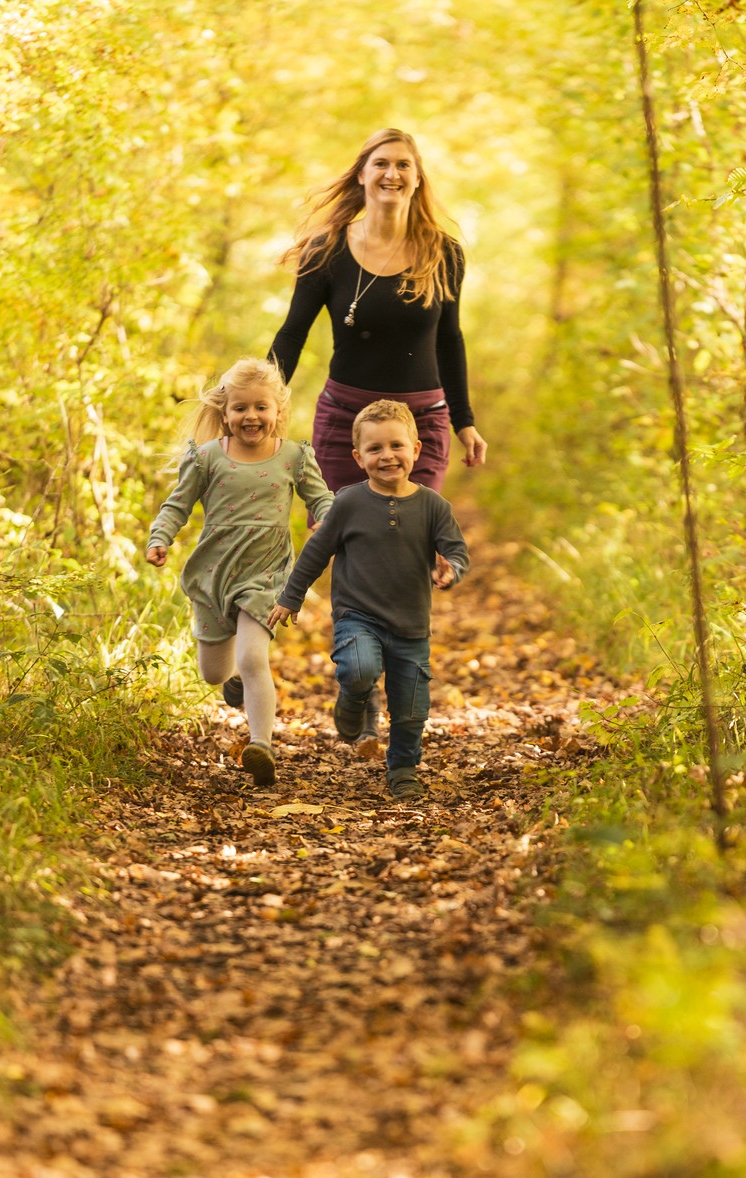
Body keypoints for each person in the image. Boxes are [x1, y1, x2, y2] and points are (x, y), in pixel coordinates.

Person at [268, 128, 484, 744]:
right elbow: (292, 334)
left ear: (417, 178)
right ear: (362, 174)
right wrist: (264, 399)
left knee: (410, 542)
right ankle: (356, 682)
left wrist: (465, 419)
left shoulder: (445, 252)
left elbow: (451, 340)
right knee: (347, 535)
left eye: (403, 166)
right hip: (345, 421)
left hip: (422, 422)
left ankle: (396, 672)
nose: (391, 174)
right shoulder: (327, 250)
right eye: (380, 164)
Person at [268, 400, 470, 800]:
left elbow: (456, 551)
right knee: (359, 669)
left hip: (412, 625)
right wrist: (290, 597)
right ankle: (355, 700)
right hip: (357, 616)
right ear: (359, 458)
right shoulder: (348, 503)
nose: (387, 456)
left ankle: (403, 769)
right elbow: (316, 551)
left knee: (412, 709)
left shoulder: (433, 506)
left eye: (396, 446)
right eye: (375, 449)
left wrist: (451, 569)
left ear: (416, 449)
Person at [146, 357, 334, 787]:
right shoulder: (208, 457)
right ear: (225, 413)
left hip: (267, 574)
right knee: (215, 672)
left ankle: (261, 744)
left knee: (253, 657)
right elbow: (177, 504)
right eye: (241, 408)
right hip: (215, 573)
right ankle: (232, 683)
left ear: (278, 411)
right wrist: (161, 537)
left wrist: (326, 516)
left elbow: (321, 498)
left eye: (261, 407)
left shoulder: (293, 456)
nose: (251, 416)